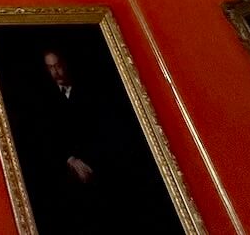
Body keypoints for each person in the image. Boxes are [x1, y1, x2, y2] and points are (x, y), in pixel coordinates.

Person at [29, 49, 178, 234]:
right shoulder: (45, 101)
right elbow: (49, 138)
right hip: (71, 170)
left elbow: (105, 129)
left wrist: (92, 161)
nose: (56, 71)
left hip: (102, 163)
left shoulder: (91, 91)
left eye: (58, 65)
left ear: (65, 65)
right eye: (51, 68)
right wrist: (70, 160)